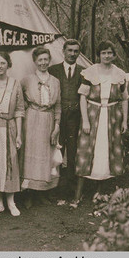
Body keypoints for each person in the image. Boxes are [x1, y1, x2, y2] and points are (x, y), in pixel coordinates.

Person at [71, 40, 128, 208]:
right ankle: (78, 195)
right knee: (86, 151)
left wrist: (125, 120)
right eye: (103, 53)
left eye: (110, 53)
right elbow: (83, 98)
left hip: (112, 117)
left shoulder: (119, 74)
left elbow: (125, 99)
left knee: (106, 153)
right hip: (93, 114)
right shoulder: (90, 73)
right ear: (99, 55)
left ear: (114, 55)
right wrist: (86, 120)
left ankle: (99, 193)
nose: (107, 56)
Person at [21, 46, 61, 208]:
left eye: (46, 59)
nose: (43, 63)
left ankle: (43, 193)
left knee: (46, 156)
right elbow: (20, 102)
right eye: (40, 60)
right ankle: (29, 194)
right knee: (30, 155)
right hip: (31, 120)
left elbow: (58, 106)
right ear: (35, 62)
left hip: (49, 120)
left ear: (49, 60)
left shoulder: (55, 81)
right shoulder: (27, 80)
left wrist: (57, 126)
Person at [0, 52, 25, 217]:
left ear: (8, 65)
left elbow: (19, 110)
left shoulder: (15, 83)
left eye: (3, 63)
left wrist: (18, 135)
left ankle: (11, 201)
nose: (0, 66)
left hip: (10, 127)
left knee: (10, 163)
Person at [48, 39, 85, 201]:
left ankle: (71, 188)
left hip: (75, 119)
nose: (72, 54)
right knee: (55, 152)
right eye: (69, 50)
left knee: (72, 152)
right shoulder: (53, 70)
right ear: (63, 51)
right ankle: (54, 189)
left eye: (76, 51)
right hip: (56, 118)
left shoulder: (84, 72)